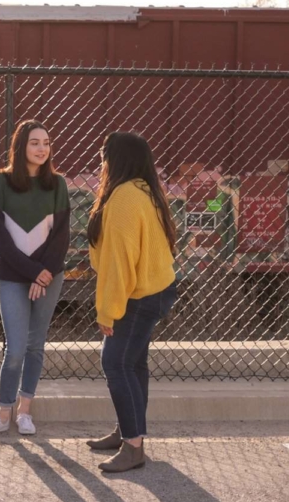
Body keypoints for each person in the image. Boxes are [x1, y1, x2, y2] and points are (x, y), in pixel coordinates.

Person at [85, 132, 179, 473]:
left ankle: (133, 446)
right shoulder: (144, 190)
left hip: (138, 295)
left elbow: (119, 260)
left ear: (116, 159)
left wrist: (108, 310)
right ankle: (128, 431)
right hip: (155, 289)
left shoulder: (125, 195)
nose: (101, 163)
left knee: (115, 363)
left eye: (103, 157)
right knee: (133, 363)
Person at [0, 120, 70, 438]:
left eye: (46, 142)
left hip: (49, 276)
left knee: (35, 346)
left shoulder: (57, 184)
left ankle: (25, 412)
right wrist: (33, 273)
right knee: (15, 348)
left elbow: (61, 237)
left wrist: (43, 276)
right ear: (21, 147)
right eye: (34, 142)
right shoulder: (0, 183)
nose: (42, 148)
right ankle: (3, 414)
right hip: (14, 277)